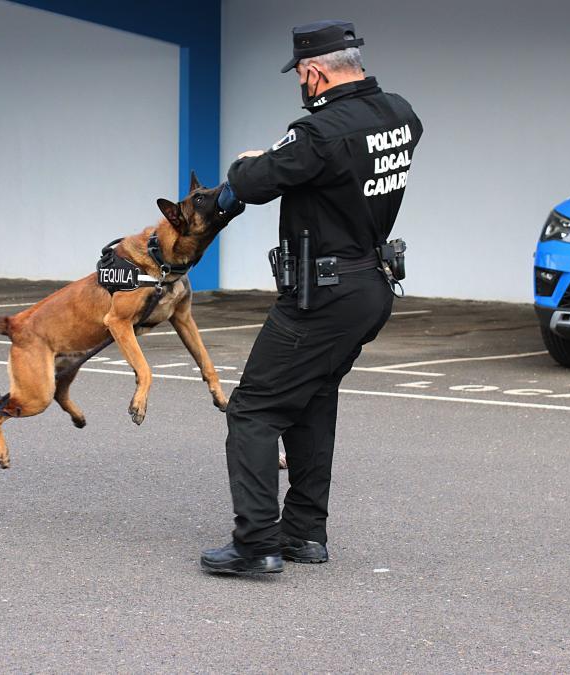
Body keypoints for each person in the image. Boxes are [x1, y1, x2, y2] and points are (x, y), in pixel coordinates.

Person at [201, 20, 423, 575]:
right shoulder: (400, 114)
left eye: (301, 76)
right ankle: (304, 534)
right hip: (370, 286)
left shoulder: (318, 133)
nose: (302, 86)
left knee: (252, 410)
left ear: (314, 72)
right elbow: (331, 171)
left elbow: (250, 185)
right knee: (311, 403)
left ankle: (256, 545)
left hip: (321, 294)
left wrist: (250, 162)